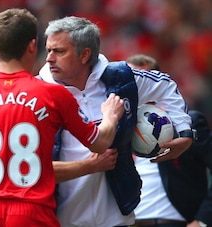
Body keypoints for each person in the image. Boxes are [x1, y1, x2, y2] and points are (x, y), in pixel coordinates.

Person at [0, 8, 125, 227]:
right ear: (33, 46)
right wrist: (110, 115)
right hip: (32, 214)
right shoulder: (54, 95)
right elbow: (100, 144)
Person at [38, 16, 194, 227]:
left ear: (85, 54)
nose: (49, 58)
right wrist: (89, 166)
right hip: (60, 219)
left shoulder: (121, 79)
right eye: (49, 50)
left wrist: (185, 133)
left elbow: (166, 86)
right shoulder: (38, 93)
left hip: (115, 218)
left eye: (59, 51)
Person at [127, 54, 212, 227]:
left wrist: (203, 220)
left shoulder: (188, 124)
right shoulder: (116, 126)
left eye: (143, 79)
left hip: (175, 221)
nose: (137, 85)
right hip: (129, 222)